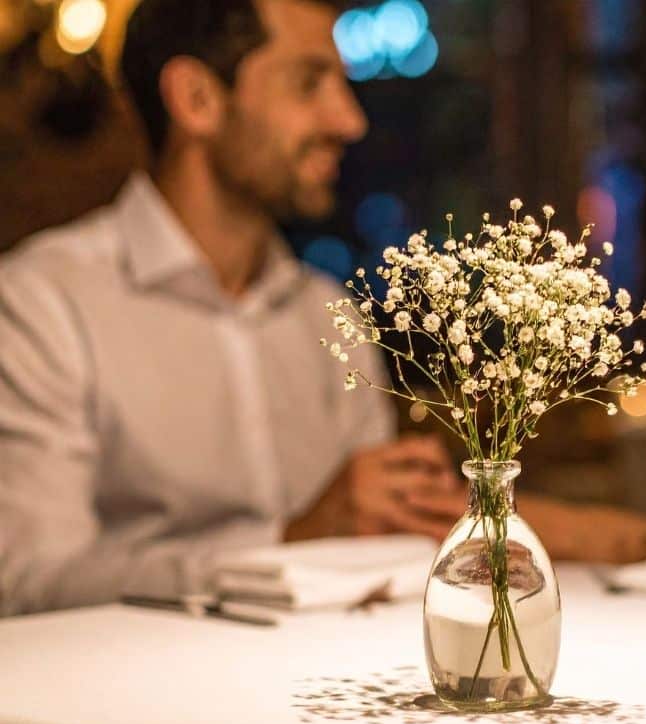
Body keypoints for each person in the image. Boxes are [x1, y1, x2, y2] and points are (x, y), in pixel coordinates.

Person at [0, 0, 462, 616]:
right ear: (197, 99)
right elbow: (26, 584)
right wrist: (287, 544)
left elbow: (376, 557)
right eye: (308, 83)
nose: (349, 121)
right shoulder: (43, 301)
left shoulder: (330, 314)